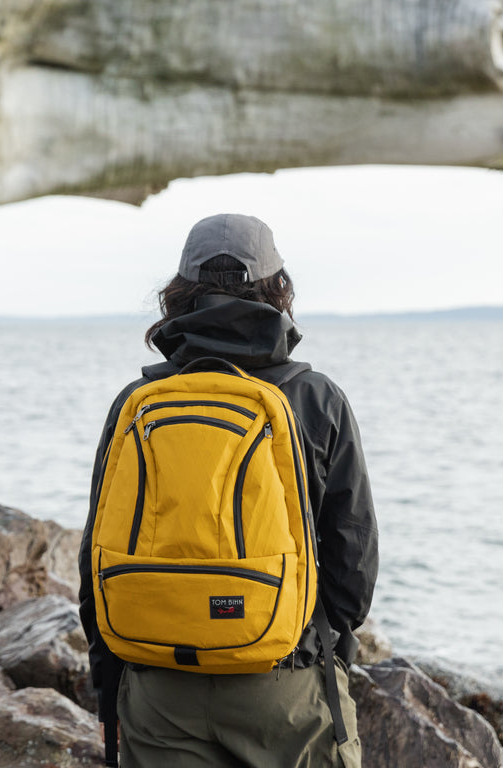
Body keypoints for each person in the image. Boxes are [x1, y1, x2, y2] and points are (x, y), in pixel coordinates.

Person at [78, 213, 379, 768]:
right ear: (277, 288)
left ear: (178, 293)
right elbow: (352, 566)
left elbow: (96, 554)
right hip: (284, 683)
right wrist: (321, 650)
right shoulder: (315, 398)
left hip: (158, 689)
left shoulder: (136, 403)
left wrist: (110, 685)